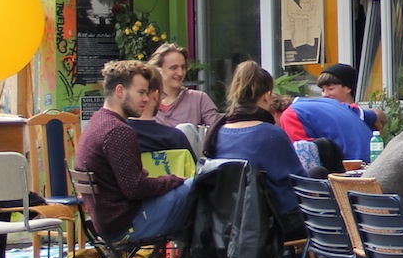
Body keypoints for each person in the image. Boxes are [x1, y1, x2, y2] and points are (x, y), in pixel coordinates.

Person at [76, 59, 259, 258]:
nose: (147, 99)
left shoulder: (96, 123)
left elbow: (131, 185)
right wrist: (172, 180)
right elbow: (135, 188)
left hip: (110, 221)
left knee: (203, 207)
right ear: (119, 91)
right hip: (129, 222)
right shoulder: (118, 131)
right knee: (206, 186)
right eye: (140, 92)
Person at [201, 61, 304, 226]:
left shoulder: (216, 133)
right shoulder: (271, 135)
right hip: (273, 224)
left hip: (226, 224)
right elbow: (299, 182)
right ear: (266, 95)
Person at [279, 63, 379, 163]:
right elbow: (378, 115)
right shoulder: (328, 109)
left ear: (348, 88)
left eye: (330, 89)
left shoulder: (351, 110)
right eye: (322, 90)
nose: (325, 94)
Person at [147, 43, 220, 130]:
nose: (180, 73)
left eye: (183, 67)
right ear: (158, 70)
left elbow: (217, 132)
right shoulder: (146, 101)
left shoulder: (199, 99)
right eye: (174, 68)